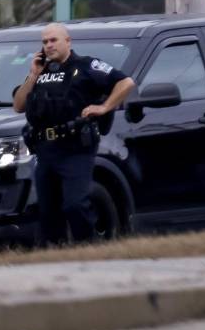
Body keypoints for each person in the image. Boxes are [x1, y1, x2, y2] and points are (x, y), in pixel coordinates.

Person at [12, 22, 135, 246]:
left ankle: (89, 250)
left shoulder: (86, 65)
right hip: (46, 150)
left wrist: (105, 107)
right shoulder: (41, 72)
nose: (49, 45)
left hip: (75, 148)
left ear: (68, 41)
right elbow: (19, 106)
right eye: (45, 42)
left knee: (75, 205)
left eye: (54, 40)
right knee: (49, 213)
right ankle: (59, 257)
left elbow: (126, 83)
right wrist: (33, 74)